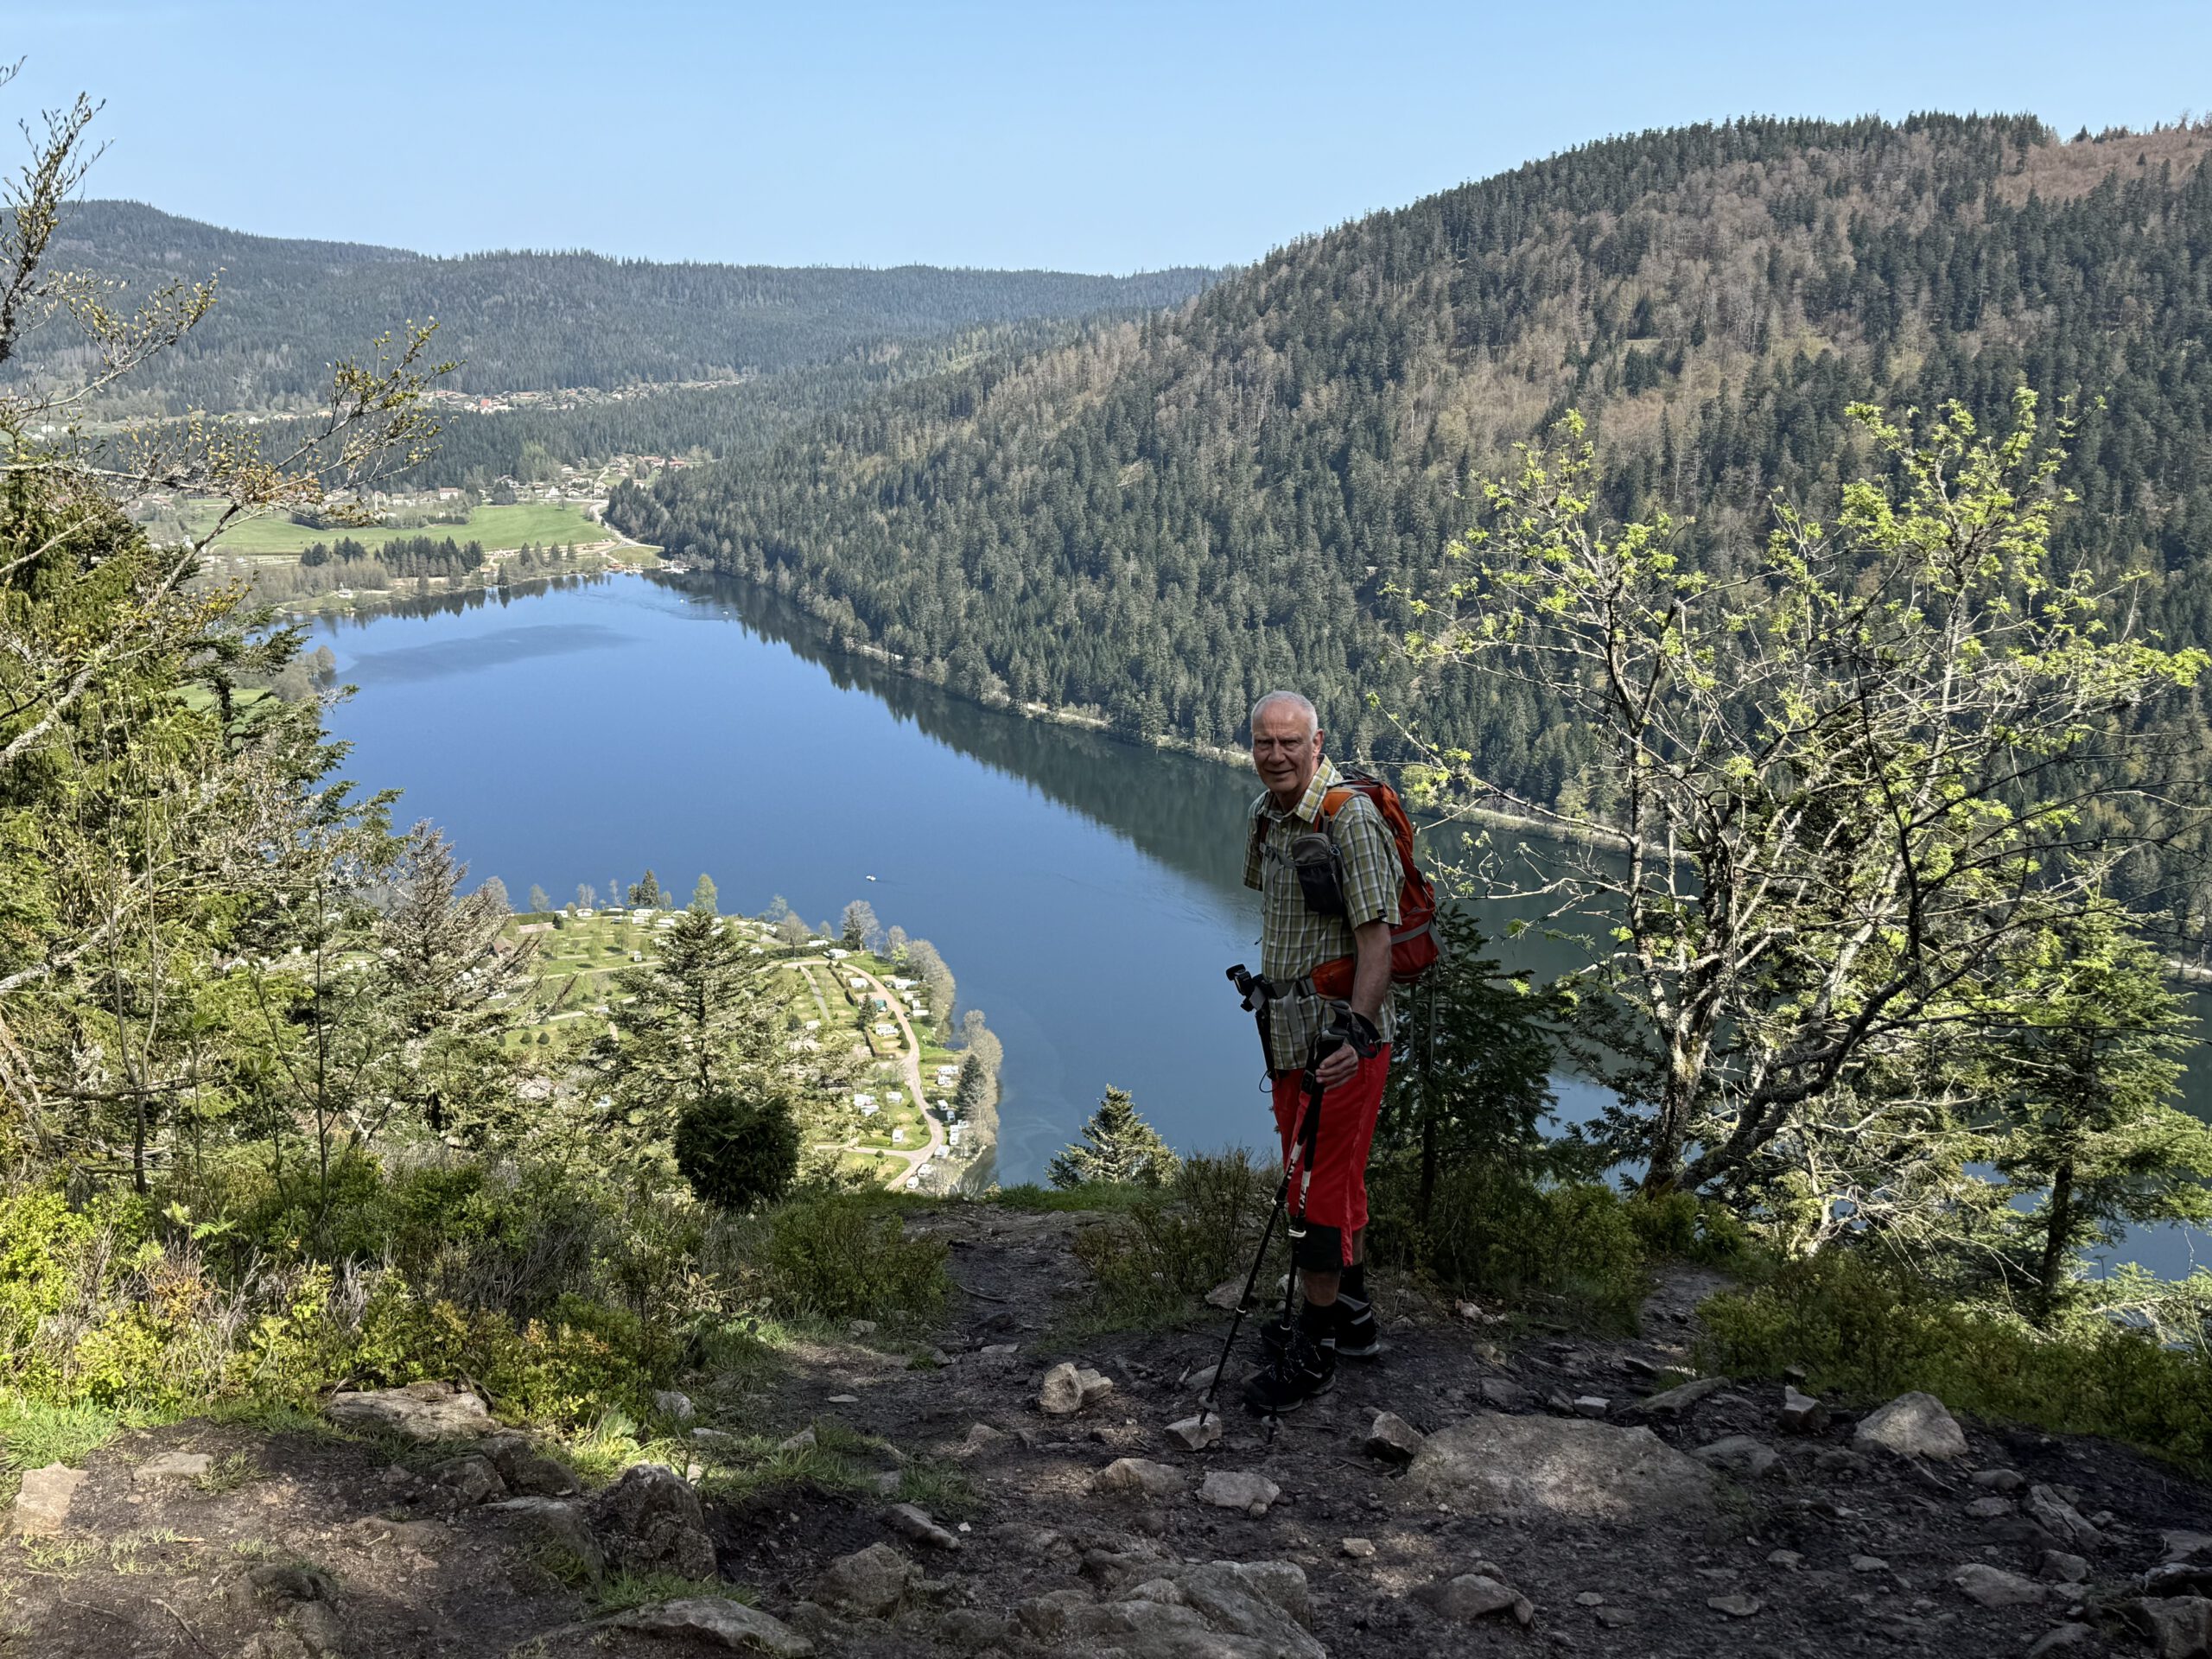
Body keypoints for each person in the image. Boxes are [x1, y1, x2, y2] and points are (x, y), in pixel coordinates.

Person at [1239, 690, 1396, 1414]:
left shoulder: (1351, 822)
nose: (1276, 755)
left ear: (1317, 742)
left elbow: (1376, 944)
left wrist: (1355, 1035)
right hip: (1287, 1036)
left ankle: (1319, 1348)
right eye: (1264, 743)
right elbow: (1284, 922)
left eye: (1289, 743)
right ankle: (1354, 1320)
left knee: (1313, 1196)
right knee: (1330, 1181)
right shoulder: (1266, 818)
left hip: (1341, 1047)